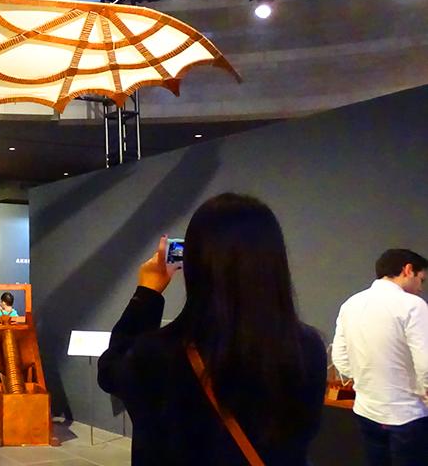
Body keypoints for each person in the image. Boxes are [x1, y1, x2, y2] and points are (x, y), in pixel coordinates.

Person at [97, 193, 327, 465]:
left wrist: (147, 293)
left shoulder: (159, 354)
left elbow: (110, 371)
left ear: (195, 262)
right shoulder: (307, 348)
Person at [332, 249, 428, 466]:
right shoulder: (413, 306)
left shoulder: (351, 304)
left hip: (366, 410)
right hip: (407, 415)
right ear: (408, 270)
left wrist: (366, 380)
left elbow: (340, 358)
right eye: (421, 280)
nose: (421, 288)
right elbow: (426, 363)